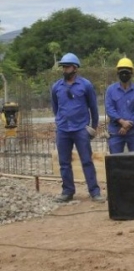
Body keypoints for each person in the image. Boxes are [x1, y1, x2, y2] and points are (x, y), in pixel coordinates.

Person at [50, 53, 105, 203]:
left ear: (75, 68)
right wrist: (60, 121)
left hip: (81, 129)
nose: (64, 69)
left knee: (87, 160)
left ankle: (94, 192)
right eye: (63, 67)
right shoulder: (56, 87)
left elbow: (93, 108)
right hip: (63, 130)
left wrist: (92, 128)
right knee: (64, 162)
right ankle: (67, 191)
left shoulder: (85, 85)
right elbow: (56, 107)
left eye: (67, 67)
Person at [105, 57, 134, 153]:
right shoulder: (111, 90)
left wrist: (127, 125)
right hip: (115, 132)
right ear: (117, 73)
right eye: (121, 72)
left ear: (131, 73)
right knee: (115, 162)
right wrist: (122, 122)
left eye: (127, 72)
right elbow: (109, 109)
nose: (124, 74)